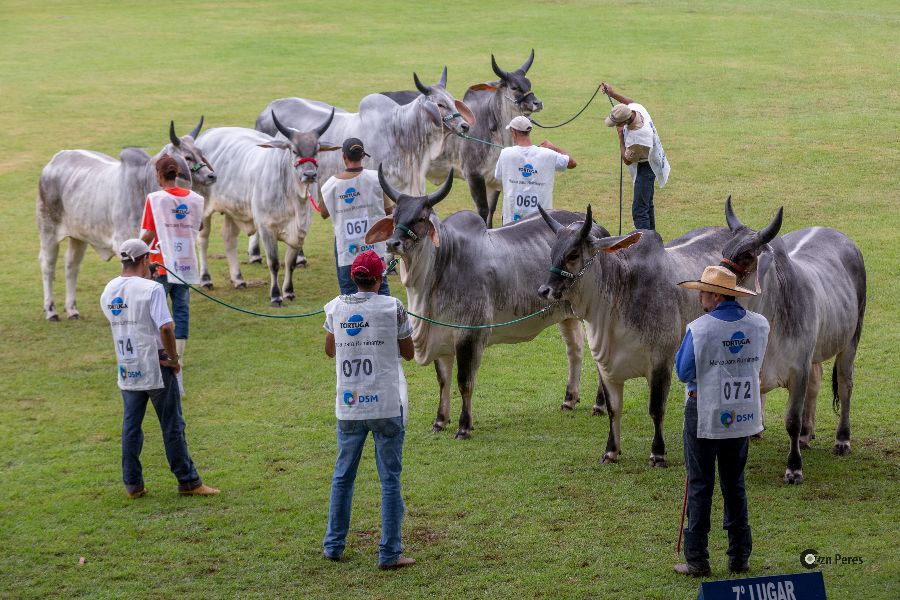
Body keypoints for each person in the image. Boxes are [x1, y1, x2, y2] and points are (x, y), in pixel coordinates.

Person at [100, 239, 219, 499]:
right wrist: (174, 358)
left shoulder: (109, 289)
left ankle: (133, 484)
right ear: (144, 260)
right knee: (172, 424)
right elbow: (166, 327)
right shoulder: (152, 289)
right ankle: (188, 481)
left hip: (127, 365)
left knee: (131, 426)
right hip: (155, 364)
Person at [322, 250, 416, 569]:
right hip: (386, 403)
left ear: (353, 277)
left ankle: (333, 545)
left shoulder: (335, 307)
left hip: (349, 406)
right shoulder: (394, 307)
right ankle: (390, 553)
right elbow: (409, 353)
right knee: (389, 479)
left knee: (342, 477)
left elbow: (329, 349)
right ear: (380, 278)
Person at [673, 265, 769, 576]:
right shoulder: (759, 325)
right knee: (734, 483)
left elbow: (684, 372)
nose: (699, 294)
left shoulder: (700, 329)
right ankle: (739, 556)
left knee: (701, 484)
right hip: (740, 412)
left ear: (716, 296)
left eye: (703, 290)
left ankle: (697, 558)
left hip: (704, 411)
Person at [140, 155, 205, 368]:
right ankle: (180, 358)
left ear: (159, 175)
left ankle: (161, 356)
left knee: (155, 312)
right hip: (185, 264)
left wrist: (134, 251)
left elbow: (148, 234)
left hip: (160, 265)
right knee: (181, 310)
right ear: (176, 174)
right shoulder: (195, 199)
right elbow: (200, 226)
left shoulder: (156, 199)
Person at [319, 138, 393, 295]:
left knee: (349, 294)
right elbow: (389, 211)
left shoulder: (330, 185)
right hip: (375, 250)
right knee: (381, 290)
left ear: (344, 157)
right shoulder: (376, 179)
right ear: (362, 156)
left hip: (347, 250)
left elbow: (323, 213)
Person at [601, 83, 670, 231]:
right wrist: (612, 94)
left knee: (639, 211)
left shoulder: (638, 138)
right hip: (652, 159)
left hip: (646, 167)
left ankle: (644, 246)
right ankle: (652, 240)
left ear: (624, 122)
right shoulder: (637, 110)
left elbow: (626, 160)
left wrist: (620, 137)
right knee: (647, 205)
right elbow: (630, 102)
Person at [494, 115, 576, 225]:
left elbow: (498, 176)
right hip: (541, 222)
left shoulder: (505, 153)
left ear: (514, 132)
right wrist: (553, 148)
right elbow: (572, 163)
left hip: (511, 221)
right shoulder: (548, 154)